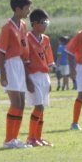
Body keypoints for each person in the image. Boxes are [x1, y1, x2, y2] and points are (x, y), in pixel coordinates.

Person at [0, 0, 33, 150]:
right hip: (10, 64)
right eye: (26, 8)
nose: (29, 11)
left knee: (22, 103)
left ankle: (15, 138)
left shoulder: (23, 25)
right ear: (17, 9)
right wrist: (2, 74)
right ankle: (8, 139)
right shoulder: (7, 27)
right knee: (15, 102)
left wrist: (26, 74)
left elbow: (24, 50)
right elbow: (1, 51)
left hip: (19, 63)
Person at [25, 9, 55, 146]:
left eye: (46, 22)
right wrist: (27, 80)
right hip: (33, 75)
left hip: (44, 75)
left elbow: (48, 61)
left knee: (42, 107)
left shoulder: (46, 39)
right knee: (38, 106)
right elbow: (24, 61)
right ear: (34, 23)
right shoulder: (27, 38)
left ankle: (38, 137)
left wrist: (49, 79)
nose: (45, 25)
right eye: (43, 22)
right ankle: (31, 137)